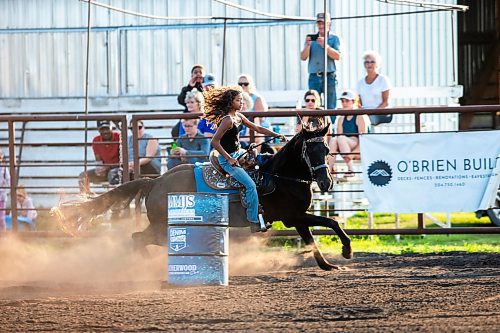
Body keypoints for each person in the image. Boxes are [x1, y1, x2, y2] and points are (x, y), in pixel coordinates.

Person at [203, 86, 284, 233]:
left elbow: (257, 128)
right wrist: (229, 159)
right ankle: (253, 221)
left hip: (238, 152)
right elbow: (214, 142)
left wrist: (275, 135)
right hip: (226, 158)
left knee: (263, 164)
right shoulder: (227, 120)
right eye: (238, 100)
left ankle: (263, 209)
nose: (241, 102)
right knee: (250, 185)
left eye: (241, 100)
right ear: (230, 102)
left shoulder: (239, 116)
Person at [300, 12, 341, 123]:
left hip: (329, 76)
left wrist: (325, 46)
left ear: (328, 23)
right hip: (314, 76)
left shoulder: (334, 38)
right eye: (319, 23)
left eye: (323, 23)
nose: (321, 25)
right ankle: (314, 126)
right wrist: (308, 45)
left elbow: (338, 56)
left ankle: (330, 129)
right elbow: (303, 57)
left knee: (331, 106)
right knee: (312, 103)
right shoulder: (312, 39)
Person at [328, 90, 370, 178]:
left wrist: (351, 155)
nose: (344, 103)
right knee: (334, 140)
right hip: (346, 148)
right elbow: (339, 140)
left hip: (360, 150)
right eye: (342, 101)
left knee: (341, 138)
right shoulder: (341, 118)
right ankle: (328, 170)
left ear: (353, 102)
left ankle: (351, 170)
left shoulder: (360, 116)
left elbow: (365, 141)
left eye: (347, 101)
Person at [79, 120, 121, 195]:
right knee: (83, 176)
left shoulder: (119, 137)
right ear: (98, 130)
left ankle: (115, 201)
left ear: (111, 128)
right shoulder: (96, 140)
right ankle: (86, 198)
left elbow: (123, 160)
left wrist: (107, 167)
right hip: (105, 169)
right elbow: (98, 159)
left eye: (107, 128)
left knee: (112, 175)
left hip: (117, 169)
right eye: (102, 129)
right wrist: (99, 169)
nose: (105, 131)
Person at [356, 50, 392, 125]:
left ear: (377, 64)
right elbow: (358, 102)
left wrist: (372, 112)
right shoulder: (360, 83)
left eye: (372, 62)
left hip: (381, 113)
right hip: (365, 114)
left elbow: (386, 102)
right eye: (367, 62)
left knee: (366, 121)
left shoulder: (383, 80)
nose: (369, 64)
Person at [174, 64, 206, 138]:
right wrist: (189, 87)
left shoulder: (207, 87)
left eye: (200, 72)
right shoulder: (187, 88)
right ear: (192, 75)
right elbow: (181, 100)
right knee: (175, 132)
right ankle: (174, 148)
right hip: (188, 116)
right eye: (195, 72)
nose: (198, 74)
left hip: (202, 115)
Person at [0, 149, 10, 232]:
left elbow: (9, 181)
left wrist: (5, 184)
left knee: (1, 217)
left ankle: (3, 234)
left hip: (1, 197)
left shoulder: (4, 169)